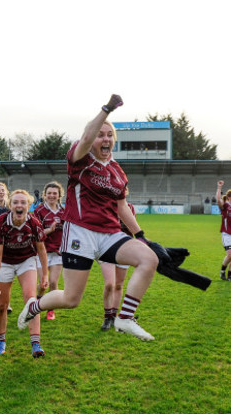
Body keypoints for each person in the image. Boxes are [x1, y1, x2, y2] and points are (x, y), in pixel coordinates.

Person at [17, 94, 161, 342]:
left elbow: (122, 206)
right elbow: (85, 137)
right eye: (100, 135)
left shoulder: (116, 170)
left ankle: (124, 318)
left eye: (109, 135)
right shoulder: (80, 159)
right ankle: (34, 306)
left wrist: (140, 235)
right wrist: (106, 110)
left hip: (109, 234)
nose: (105, 139)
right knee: (71, 299)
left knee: (149, 259)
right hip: (79, 231)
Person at [0, 190, 48, 357]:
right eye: (16, 202)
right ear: (10, 205)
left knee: (31, 301)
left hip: (26, 261)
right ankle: (1, 340)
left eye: (23, 203)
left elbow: (42, 251)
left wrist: (44, 276)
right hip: (6, 263)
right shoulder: (2, 222)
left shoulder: (34, 223)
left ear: (29, 206)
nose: (19, 205)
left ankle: (36, 344)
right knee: (1, 305)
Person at [100, 194, 135, 330]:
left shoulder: (130, 208)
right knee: (109, 284)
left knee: (119, 285)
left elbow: (131, 228)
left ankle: (114, 316)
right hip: (106, 248)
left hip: (124, 248)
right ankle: (107, 316)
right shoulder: (103, 207)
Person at [33, 181, 65, 320]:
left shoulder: (64, 211)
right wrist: (49, 230)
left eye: (55, 193)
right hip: (42, 252)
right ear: (44, 195)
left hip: (58, 252)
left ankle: (50, 310)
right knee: (42, 284)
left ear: (59, 195)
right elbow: (35, 234)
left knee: (53, 282)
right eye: (49, 193)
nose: (52, 196)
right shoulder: (39, 211)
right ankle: (37, 303)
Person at [215, 180, 231, 281]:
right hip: (227, 234)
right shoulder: (225, 206)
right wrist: (219, 187)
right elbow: (218, 200)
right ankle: (222, 272)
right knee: (230, 254)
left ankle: (229, 275)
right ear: (229, 197)